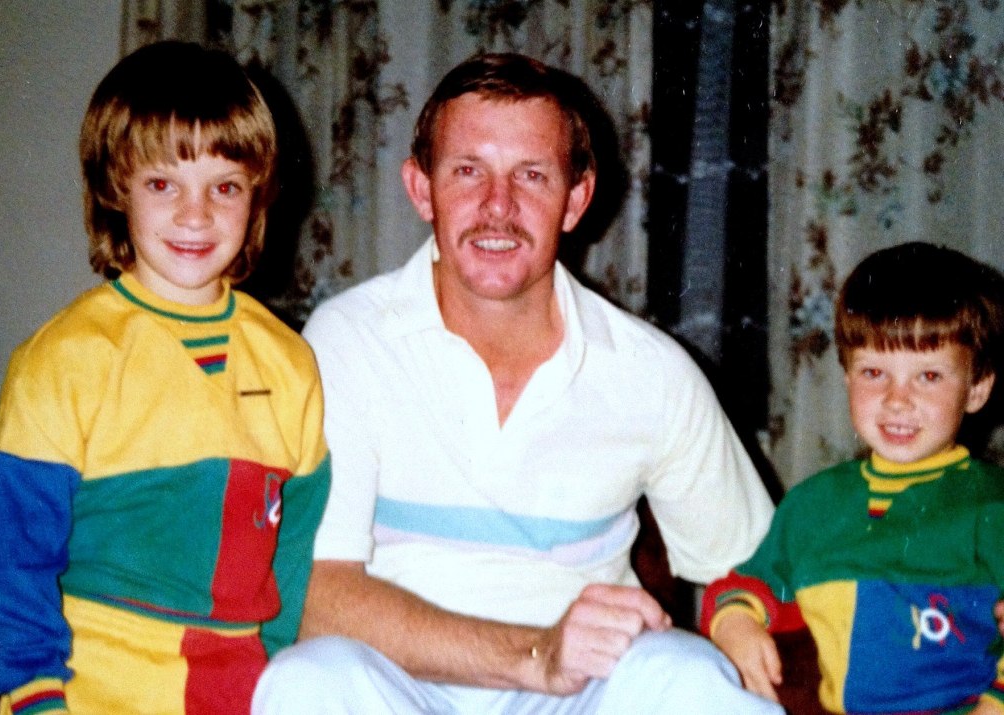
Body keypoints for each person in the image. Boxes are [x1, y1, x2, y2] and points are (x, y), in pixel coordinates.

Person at [252, 52, 782, 714]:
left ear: (576, 199)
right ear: (421, 188)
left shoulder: (650, 371)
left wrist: (735, 612)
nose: (496, 207)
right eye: (468, 170)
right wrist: (537, 654)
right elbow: (318, 594)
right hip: (398, 687)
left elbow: (760, 558)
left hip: (586, 695)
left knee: (687, 671)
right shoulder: (348, 341)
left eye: (531, 176)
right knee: (308, 681)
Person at [0, 41, 331, 715]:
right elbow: (13, 559)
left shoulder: (290, 364)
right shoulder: (65, 357)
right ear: (117, 187)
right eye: (163, 183)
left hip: (239, 689)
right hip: (89, 687)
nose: (195, 215)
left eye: (224, 186)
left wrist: (282, 676)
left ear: (256, 197)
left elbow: (294, 554)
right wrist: (35, 696)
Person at [703, 242, 1004, 714]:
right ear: (846, 376)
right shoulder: (813, 506)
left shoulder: (992, 506)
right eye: (873, 372)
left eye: (928, 376)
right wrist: (735, 621)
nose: (896, 399)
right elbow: (753, 584)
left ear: (977, 388)